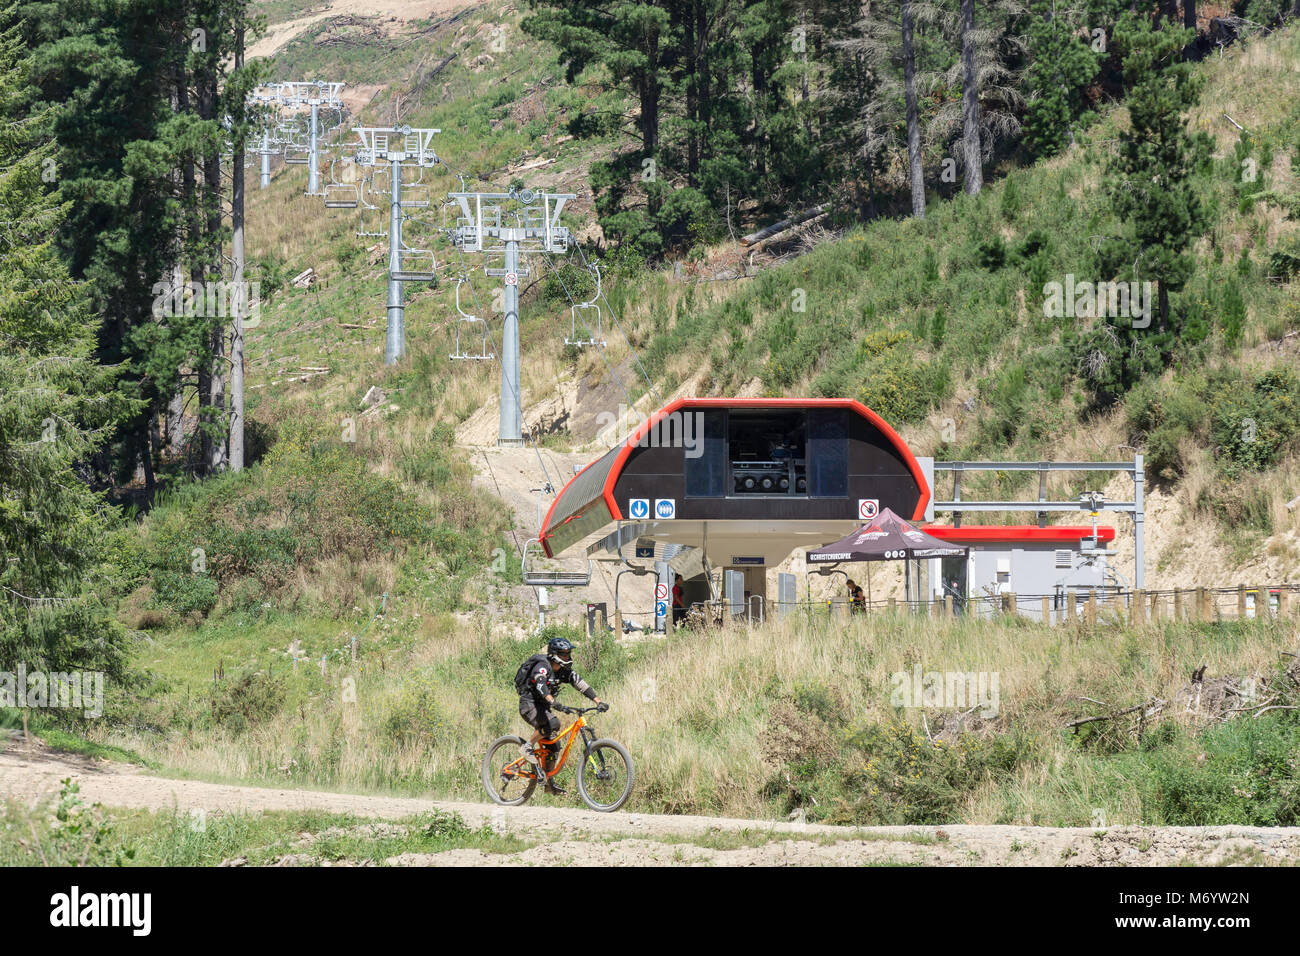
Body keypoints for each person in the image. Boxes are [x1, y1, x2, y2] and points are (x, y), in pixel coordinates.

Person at [517, 637, 607, 794]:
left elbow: (580, 683)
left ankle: (547, 782)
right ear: (554, 654)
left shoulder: (564, 671)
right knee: (553, 724)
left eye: (568, 653)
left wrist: (598, 701)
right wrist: (553, 701)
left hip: (542, 707)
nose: (567, 656)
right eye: (564, 654)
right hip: (529, 704)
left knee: (553, 747)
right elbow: (540, 684)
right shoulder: (543, 666)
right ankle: (527, 747)